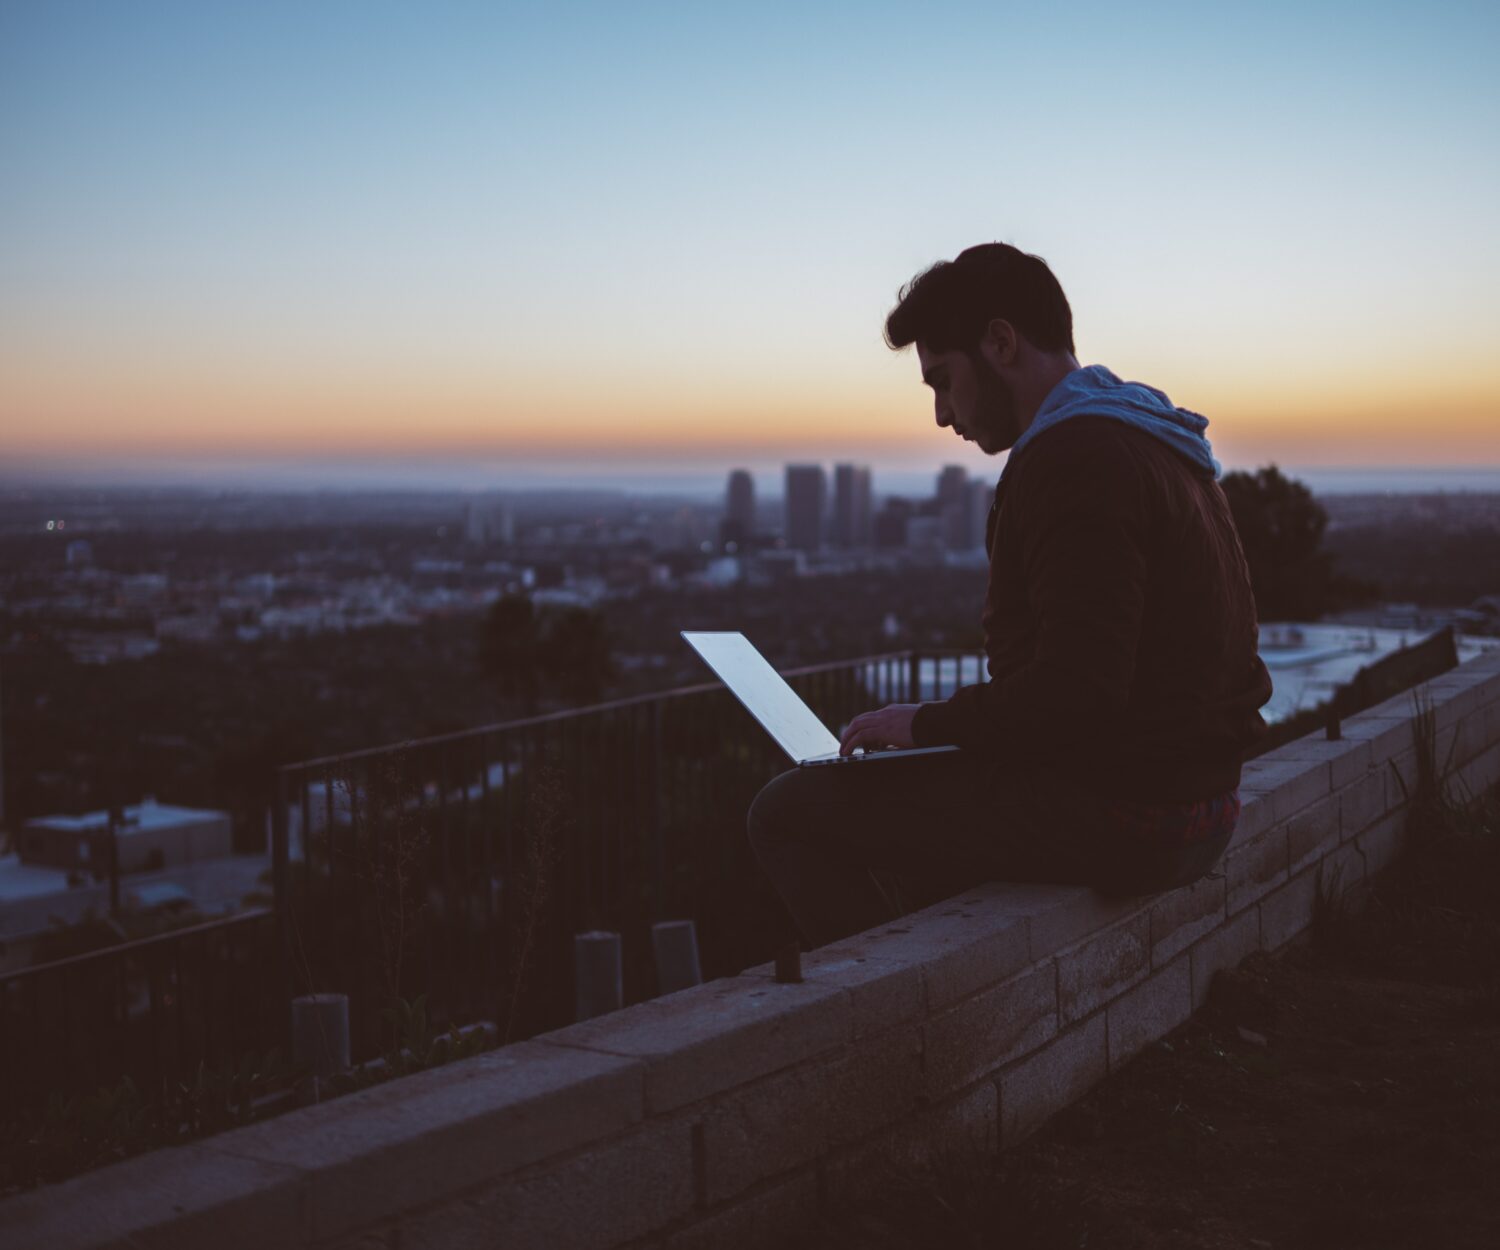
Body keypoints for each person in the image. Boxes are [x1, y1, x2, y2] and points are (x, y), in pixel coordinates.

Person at [747, 242, 1274, 950]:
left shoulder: (1075, 458)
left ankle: (896, 1018)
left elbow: (1079, 691)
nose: (942, 414)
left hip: (1135, 817)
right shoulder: (1155, 439)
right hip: (1198, 802)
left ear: (1000, 342)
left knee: (787, 811)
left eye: (942, 381)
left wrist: (926, 725)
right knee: (913, 800)